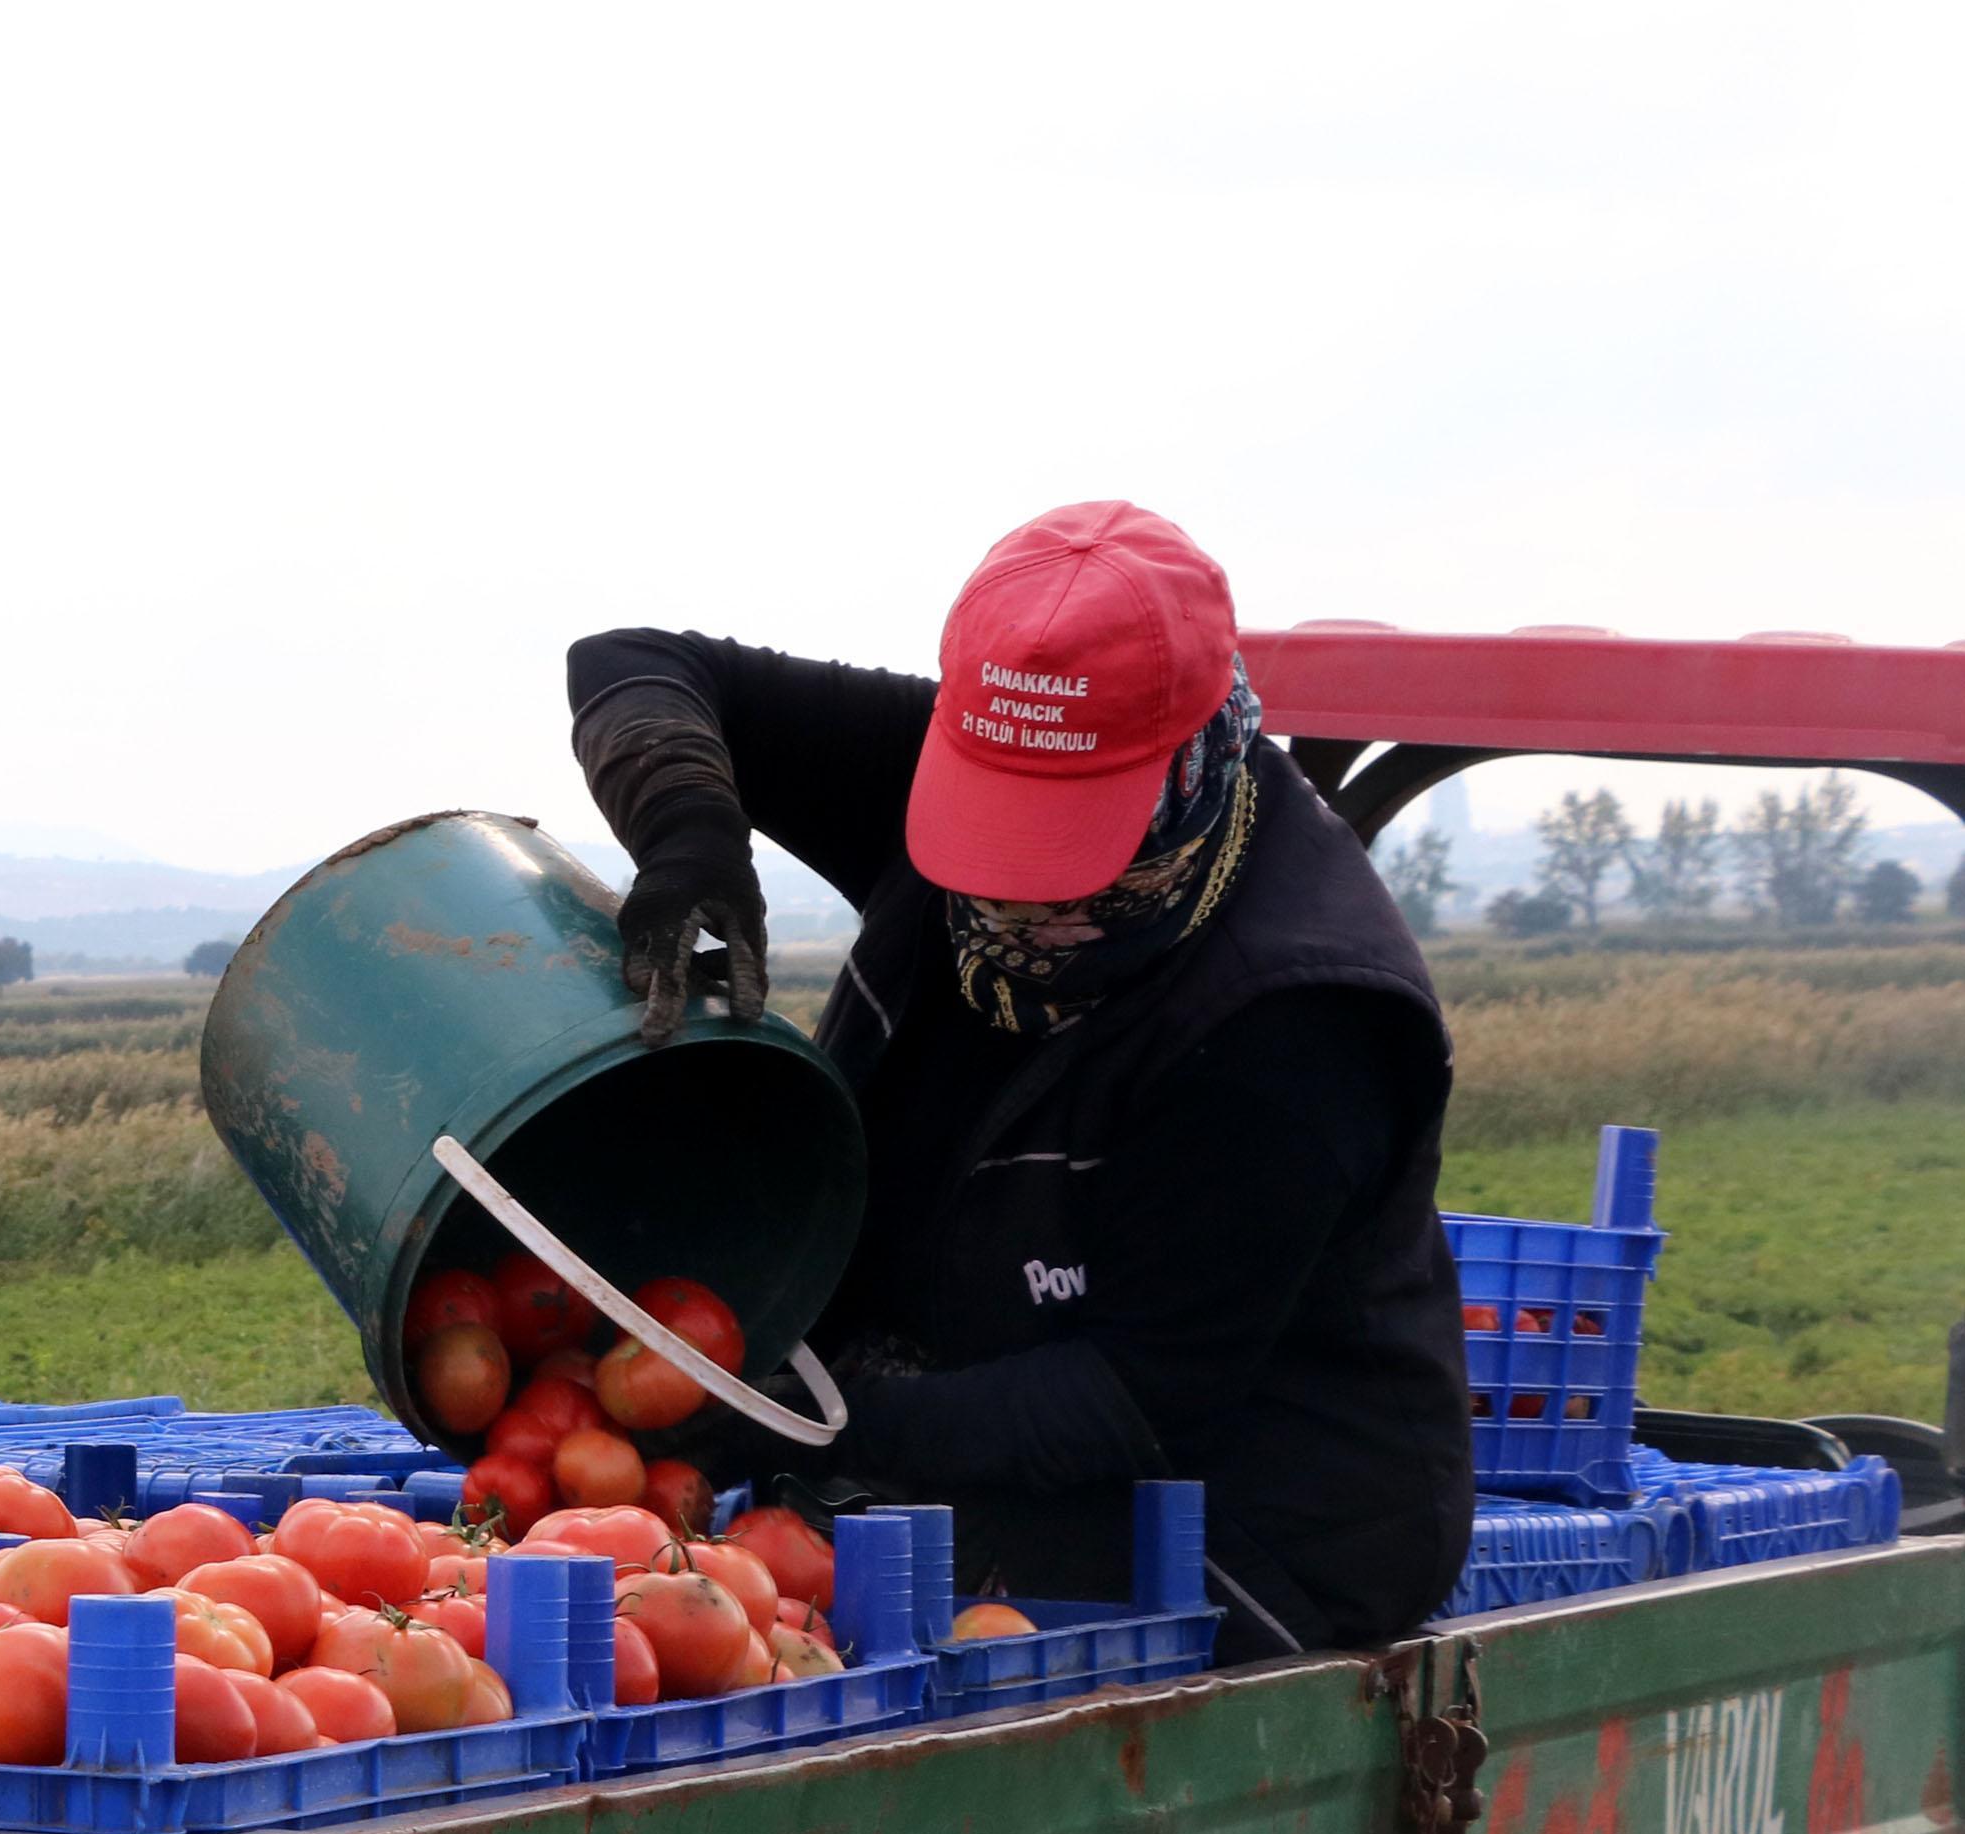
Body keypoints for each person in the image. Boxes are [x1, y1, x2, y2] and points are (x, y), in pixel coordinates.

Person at [568, 500, 1471, 1657]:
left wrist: (818, 1425)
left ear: (1185, 766)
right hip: (961, 1462)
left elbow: (1139, 1397)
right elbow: (634, 664)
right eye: (990, 829)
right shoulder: (950, 750)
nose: (1011, 896)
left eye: (1059, 840)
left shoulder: (1297, 1019)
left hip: (1246, 1546)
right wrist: (689, 825)